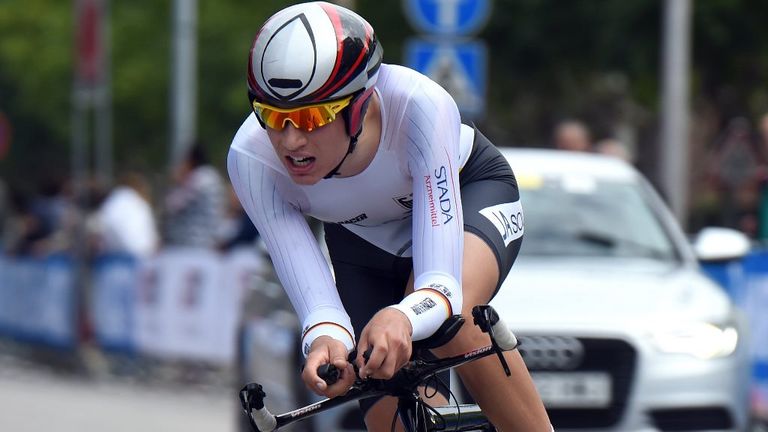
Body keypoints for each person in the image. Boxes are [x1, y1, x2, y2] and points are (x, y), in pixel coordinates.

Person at [227, 3, 551, 431]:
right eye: (272, 116)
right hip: (363, 239)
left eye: (311, 117)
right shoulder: (251, 159)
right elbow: (319, 304)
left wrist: (403, 315)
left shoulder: (419, 106)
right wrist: (327, 340)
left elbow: (441, 284)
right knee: (378, 385)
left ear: (359, 106)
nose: (290, 140)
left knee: (454, 324)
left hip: (468, 194)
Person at [163, 143, 226, 248]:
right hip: (211, 238)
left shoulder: (198, 178)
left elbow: (172, 204)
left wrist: (177, 181)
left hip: (194, 240)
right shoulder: (214, 176)